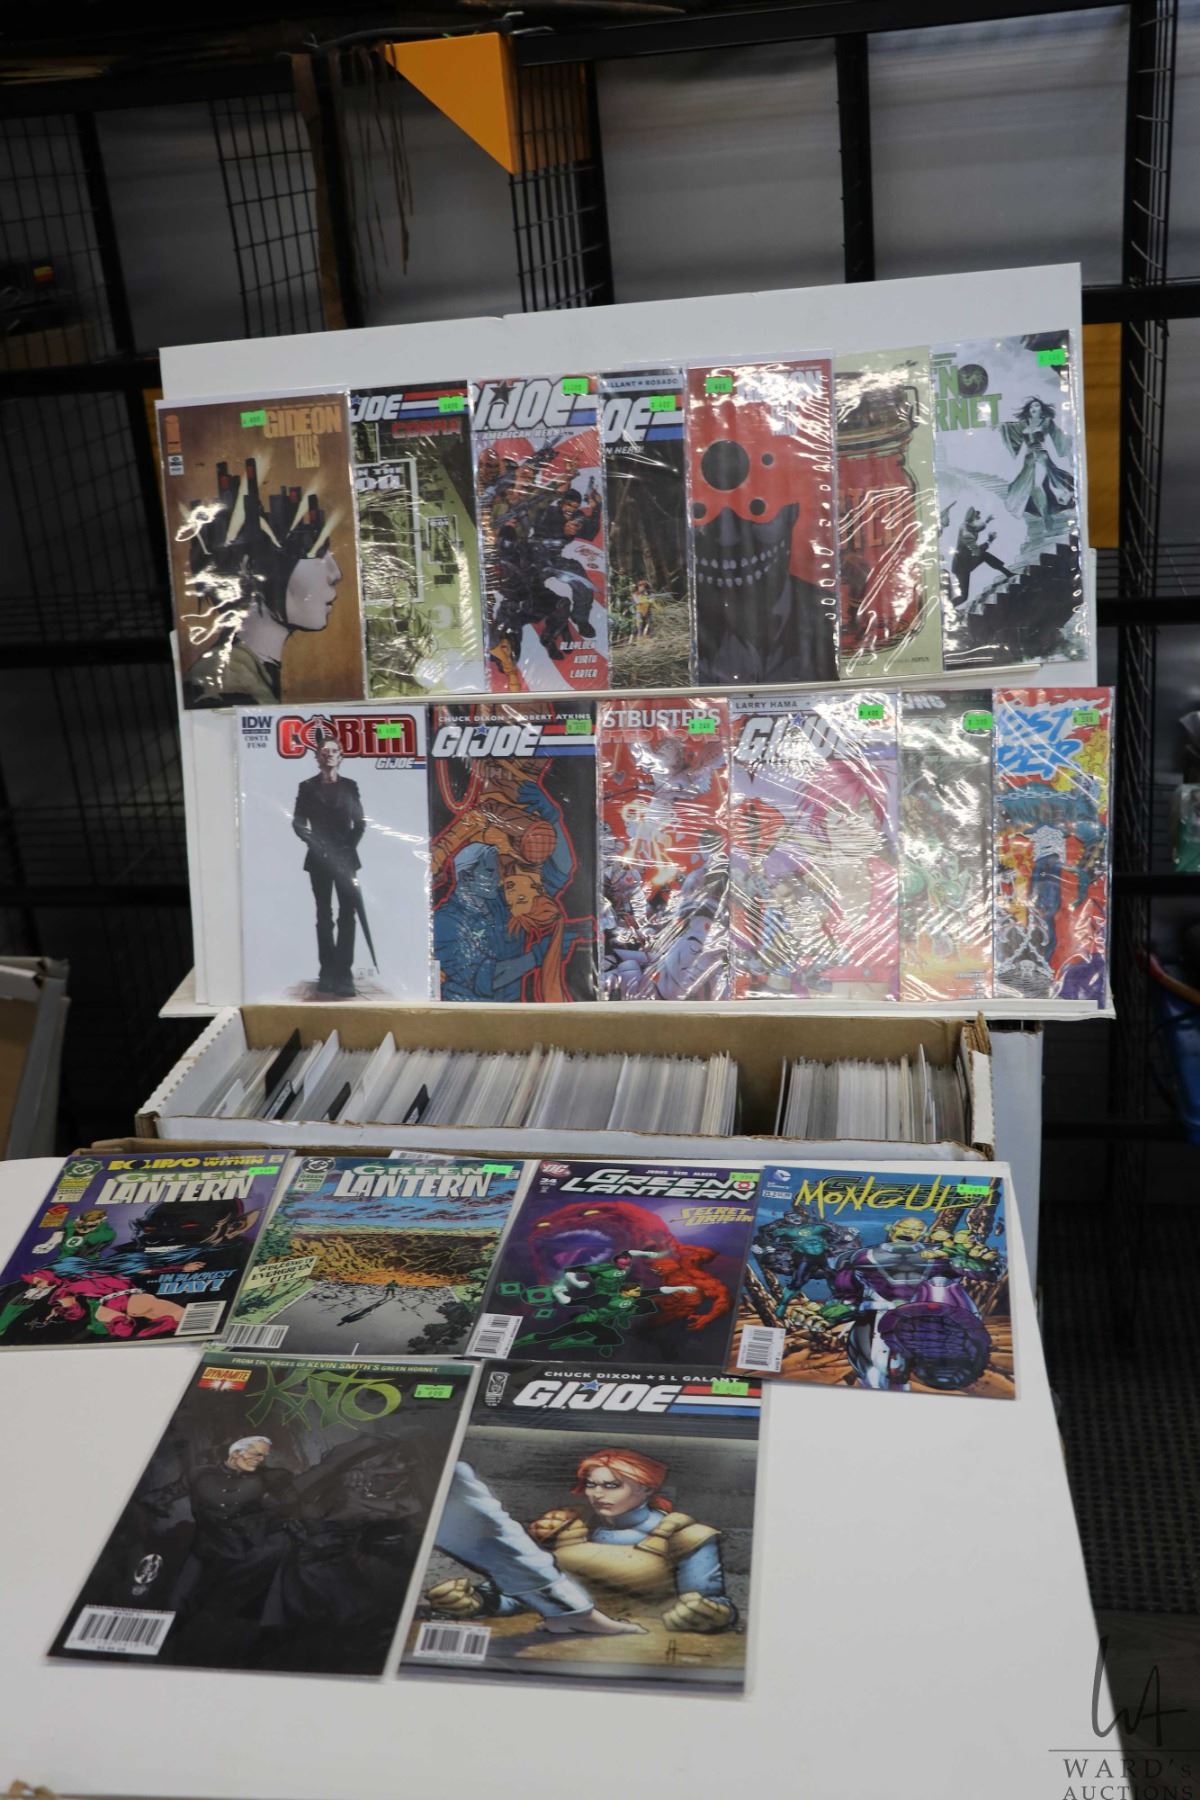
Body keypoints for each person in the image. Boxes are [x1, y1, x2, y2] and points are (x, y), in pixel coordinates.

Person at [427, 1448, 735, 1637]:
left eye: (612, 1485)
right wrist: (479, 1601)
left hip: (645, 1644)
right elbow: (529, 1589)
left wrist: (708, 1613)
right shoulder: (564, 1526)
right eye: (591, 1485)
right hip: (556, 1640)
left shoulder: (684, 1535)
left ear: (646, 1489)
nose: (597, 1494)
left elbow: (712, 1603)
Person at [180, 459, 344, 707]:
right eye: (313, 553)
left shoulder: (247, 672)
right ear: (250, 569)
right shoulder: (224, 688)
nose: (336, 572)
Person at [292, 735, 366, 997]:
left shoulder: (350, 786)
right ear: (317, 757)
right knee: (323, 915)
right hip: (319, 859)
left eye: (334, 751)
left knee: (347, 915)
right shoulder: (307, 787)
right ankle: (327, 971)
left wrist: (347, 848)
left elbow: (360, 823)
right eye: (324, 752)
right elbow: (298, 823)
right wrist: (316, 845)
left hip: (346, 859)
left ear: (341, 756)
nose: (329, 755)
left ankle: (344, 974)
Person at [951, 506, 1013, 611]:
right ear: (972, 519)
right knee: (964, 597)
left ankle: (1007, 573)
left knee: (985, 556)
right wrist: (990, 540)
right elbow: (977, 552)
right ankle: (947, 608)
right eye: (977, 517)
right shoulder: (967, 535)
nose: (979, 519)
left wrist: (987, 521)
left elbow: (978, 527)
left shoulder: (966, 525)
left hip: (963, 562)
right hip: (962, 567)